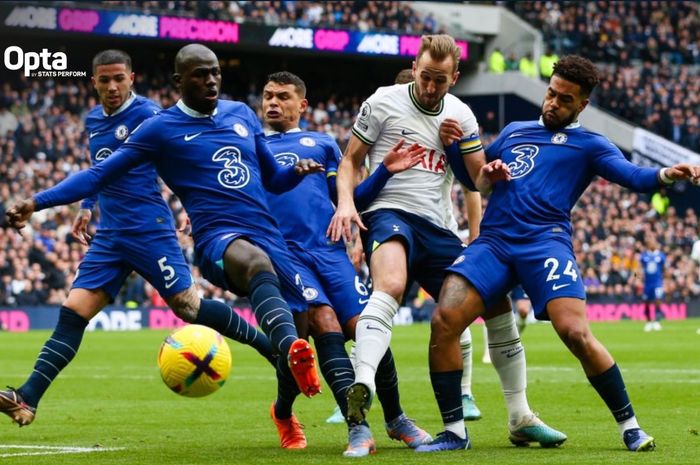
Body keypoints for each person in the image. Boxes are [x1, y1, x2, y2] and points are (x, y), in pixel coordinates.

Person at [5, 45, 328, 427]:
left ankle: (271, 347)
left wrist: (205, 203)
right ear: (92, 83)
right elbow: (100, 171)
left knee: (189, 308)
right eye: (104, 80)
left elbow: (192, 156)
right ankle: (26, 397)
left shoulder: (151, 116)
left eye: (118, 78)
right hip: (110, 233)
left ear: (132, 79)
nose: (112, 87)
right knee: (73, 313)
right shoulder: (95, 120)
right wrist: (83, 205)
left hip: (149, 230)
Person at [421, 54, 700, 452]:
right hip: (495, 241)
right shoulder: (516, 131)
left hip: (545, 243)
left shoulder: (591, 145)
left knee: (576, 333)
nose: (553, 103)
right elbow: (475, 179)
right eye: (551, 93)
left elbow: (632, 176)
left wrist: (666, 175)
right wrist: (459, 153)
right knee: (444, 319)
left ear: (582, 104)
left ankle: (630, 426)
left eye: (565, 99)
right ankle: (454, 432)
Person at [328, 34, 564, 450]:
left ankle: (520, 416)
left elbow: (478, 182)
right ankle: (361, 384)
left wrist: (492, 171)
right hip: (390, 214)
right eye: (424, 77)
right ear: (414, 67)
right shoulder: (382, 101)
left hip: (439, 228)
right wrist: (346, 203)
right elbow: (349, 161)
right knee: (392, 285)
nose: (430, 87)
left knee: (495, 302)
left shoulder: (461, 115)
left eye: (440, 80)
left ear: (454, 78)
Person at [262, 71, 431, 456]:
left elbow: (351, 198)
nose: (273, 102)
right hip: (286, 255)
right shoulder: (254, 147)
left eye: (283, 96)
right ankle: (358, 427)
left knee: (365, 327)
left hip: (329, 249)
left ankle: (396, 418)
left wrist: (385, 168)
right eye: (268, 96)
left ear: (302, 105)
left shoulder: (321, 144)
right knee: (324, 322)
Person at [392, 64, 483, 420]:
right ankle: (362, 384)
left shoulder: (446, 128)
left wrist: (476, 235)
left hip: (439, 230)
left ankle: (466, 393)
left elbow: (471, 186)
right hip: (395, 232)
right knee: (376, 304)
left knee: (455, 310)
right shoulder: (387, 129)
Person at [640, 235, 666, 332]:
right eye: (650, 242)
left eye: (653, 241)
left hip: (657, 282)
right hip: (647, 283)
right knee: (646, 302)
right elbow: (637, 270)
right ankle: (648, 322)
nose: (652, 243)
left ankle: (657, 321)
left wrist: (666, 281)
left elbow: (665, 270)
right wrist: (638, 278)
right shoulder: (644, 256)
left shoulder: (661, 256)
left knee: (658, 301)